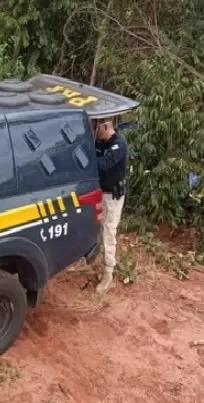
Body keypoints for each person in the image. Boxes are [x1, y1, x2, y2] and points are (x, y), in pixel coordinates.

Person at [93, 117, 128, 294]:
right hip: (99, 193)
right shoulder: (98, 142)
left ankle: (108, 273)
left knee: (108, 231)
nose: (95, 131)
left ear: (106, 127)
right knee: (95, 227)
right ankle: (91, 260)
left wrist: (86, 159)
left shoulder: (119, 144)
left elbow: (105, 164)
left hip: (112, 196)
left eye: (97, 127)